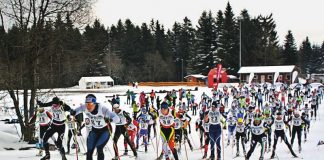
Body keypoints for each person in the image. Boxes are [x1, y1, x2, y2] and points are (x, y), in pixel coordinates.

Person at [72, 94, 120, 160]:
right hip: (94, 130)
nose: (88, 107)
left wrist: (110, 120)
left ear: (94, 103)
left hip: (105, 130)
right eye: (86, 104)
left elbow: (117, 118)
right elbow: (75, 111)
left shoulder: (103, 109)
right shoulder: (84, 107)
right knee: (89, 150)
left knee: (99, 148)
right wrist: (73, 112)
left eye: (90, 104)